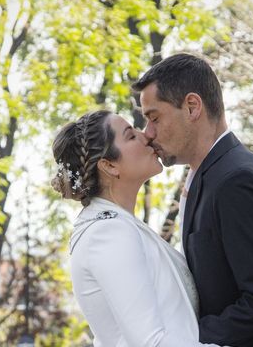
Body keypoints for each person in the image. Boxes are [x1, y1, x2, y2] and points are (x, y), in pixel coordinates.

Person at [132, 53, 253, 347]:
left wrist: (187, 338)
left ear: (192, 107)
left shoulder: (236, 180)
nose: (148, 133)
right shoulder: (210, 174)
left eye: (154, 117)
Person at [51, 110, 221, 347]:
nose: (146, 136)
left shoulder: (121, 225)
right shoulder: (107, 233)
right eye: (130, 136)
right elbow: (151, 343)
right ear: (109, 165)